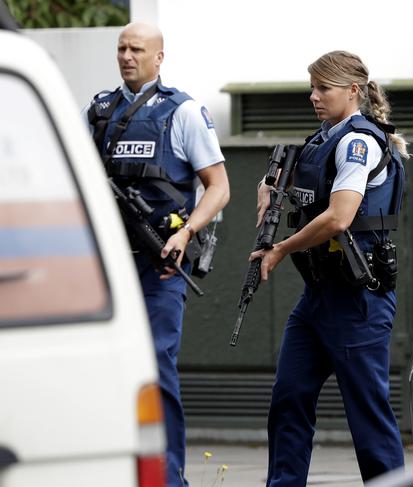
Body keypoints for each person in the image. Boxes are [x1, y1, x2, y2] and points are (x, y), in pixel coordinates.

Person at [252, 51, 408, 486]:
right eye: (312, 87)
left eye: (324, 88)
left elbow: (340, 216)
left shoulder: (359, 142)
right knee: (288, 400)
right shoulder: (323, 138)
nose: (313, 96)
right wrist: (266, 186)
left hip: (358, 299)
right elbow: (300, 183)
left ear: (353, 91)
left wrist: (280, 248)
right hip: (318, 297)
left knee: (368, 418)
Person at [84, 22, 230, 486]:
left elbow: (219, 188)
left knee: (156, 366)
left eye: (137, 49)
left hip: (161, 265)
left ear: (159, 57)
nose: (127, 56)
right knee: (105, 371)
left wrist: (187, 232)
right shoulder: (100, 111)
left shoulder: (182, 111)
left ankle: (169, 480)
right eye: (121, 48)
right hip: (110, 265)